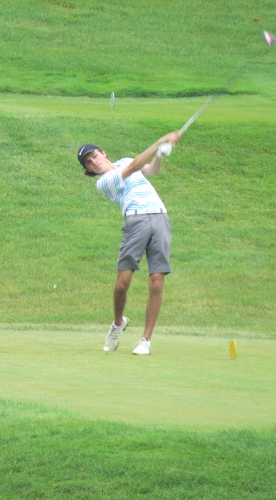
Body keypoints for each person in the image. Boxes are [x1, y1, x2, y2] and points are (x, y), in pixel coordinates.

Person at [77, 131, 181, 355]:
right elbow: (135, 166)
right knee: (122, 284)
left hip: (160, 217)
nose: (94, 162)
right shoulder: (104, 182)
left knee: (157, 281)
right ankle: (117, 324)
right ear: (89, 170)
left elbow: (150, 170)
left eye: (94, 156)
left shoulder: (124, 161)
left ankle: (146, 340)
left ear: (103, 153)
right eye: (89, 163)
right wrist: (159, 142)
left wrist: (160, 155)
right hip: (136, 221)